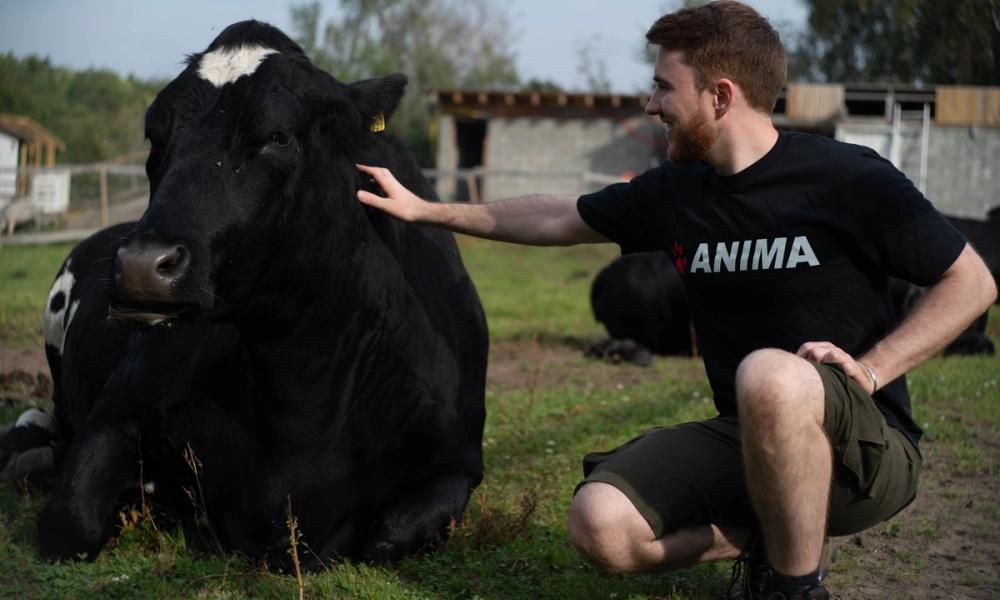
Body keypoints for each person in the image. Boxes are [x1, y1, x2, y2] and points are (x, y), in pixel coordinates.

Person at [355, 2, 998, 597]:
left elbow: (973, 282)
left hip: (866, 449)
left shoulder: (847, 178)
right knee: (600, 524)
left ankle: (793, 587)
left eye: (665, 86)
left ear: (720, 96)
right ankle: (765, 538)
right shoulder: (678, 192)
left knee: (772, 373)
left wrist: (874, 369)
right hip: (749, 436)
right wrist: (425, 208)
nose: (650, 102)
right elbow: (557, 217)